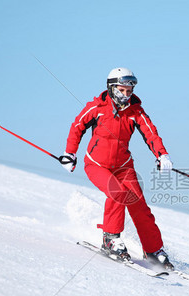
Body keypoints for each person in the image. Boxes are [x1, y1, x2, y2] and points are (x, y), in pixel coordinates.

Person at [60, 67, 174, 270]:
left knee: (139, 206)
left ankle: (154, 251)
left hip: (123, 166)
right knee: (117, 193)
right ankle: (110, 239)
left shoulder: (135, 111)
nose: (126, 95)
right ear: (112, 88)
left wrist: (162, 155)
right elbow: (77, 126)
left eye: (129, 91)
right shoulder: (96, 107)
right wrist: (70, 154)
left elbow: (151, 133)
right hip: (97, 165)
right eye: (122, 90)